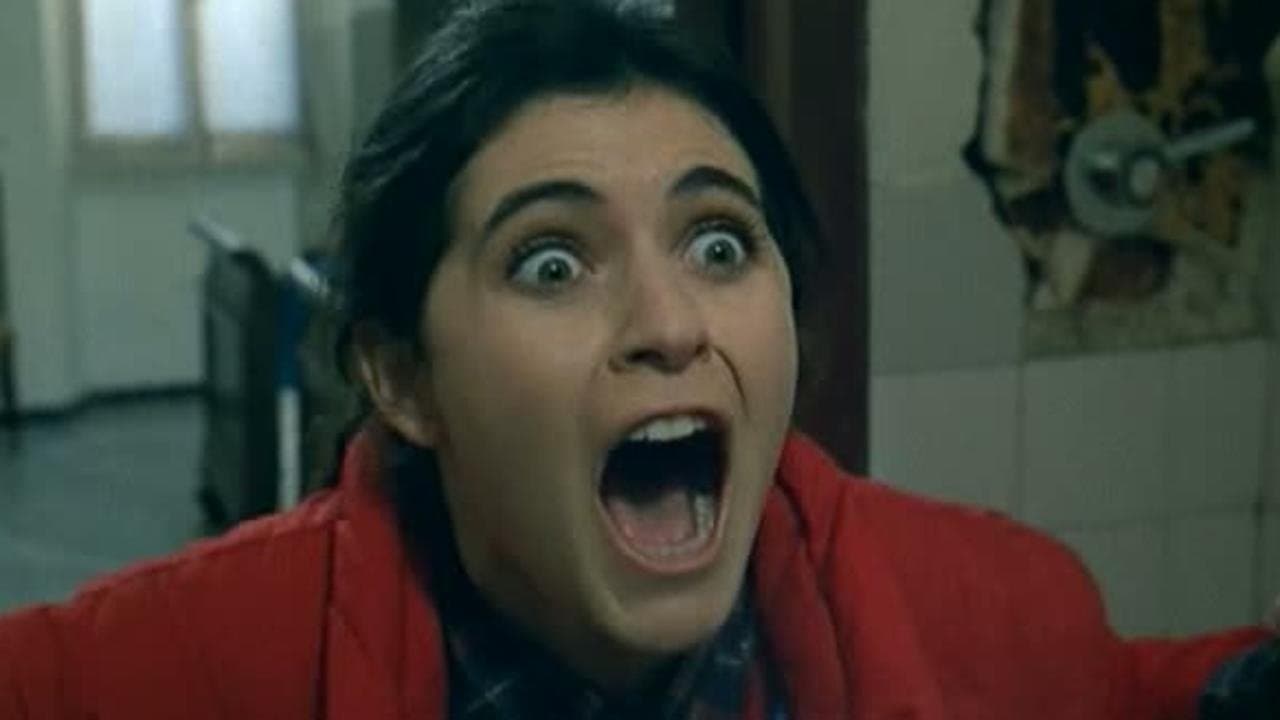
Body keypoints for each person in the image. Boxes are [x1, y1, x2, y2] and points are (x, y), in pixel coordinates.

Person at [1, 1, 1275, 718]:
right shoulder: (188, 664)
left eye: (719, 243)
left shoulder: (983, 604)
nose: (671, 324)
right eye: (551, 263)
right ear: (402, 378)